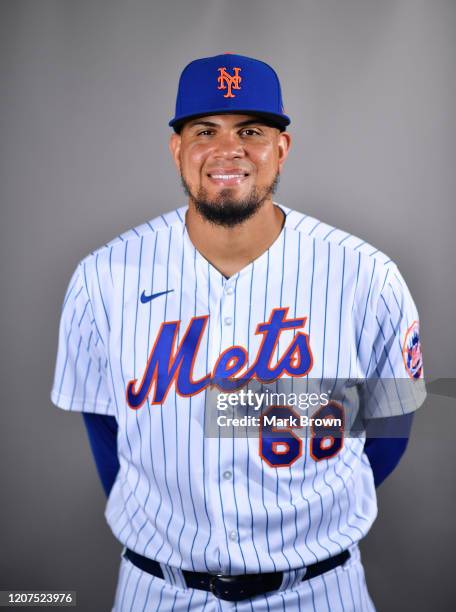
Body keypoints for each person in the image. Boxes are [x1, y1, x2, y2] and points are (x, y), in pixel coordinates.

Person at [51, 53, 426, 611]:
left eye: (250, 130)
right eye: (205, 130)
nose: (229, 150)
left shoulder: (364, 274)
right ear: (177, 149)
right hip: (158, 591)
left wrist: (312, 514)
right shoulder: (103, 277)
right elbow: (105, 426)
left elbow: (392, 421)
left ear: (282, 148)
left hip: (319, 589)